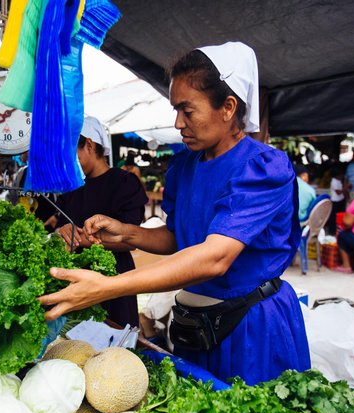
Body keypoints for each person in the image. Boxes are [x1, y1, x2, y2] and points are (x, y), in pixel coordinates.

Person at [39, 42, 310, 385]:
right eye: (175, 110)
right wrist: (123, 233)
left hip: (249, 327)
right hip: (194, 322)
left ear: (227, 108)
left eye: (187, 110)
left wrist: (107, 287)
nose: (178, 122)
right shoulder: (186, 165)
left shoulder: (261, 168)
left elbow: (215, 257)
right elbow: (178, 236)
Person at [55, 116, 148, 327]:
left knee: (116, 345)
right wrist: (64, 229)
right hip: (77, 278)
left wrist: (82, 240)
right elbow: (62, 224)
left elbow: (131, 239)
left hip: (116, 279)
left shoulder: (124, 183)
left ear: (89, 144)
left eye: (72, 152)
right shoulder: (72, 187)